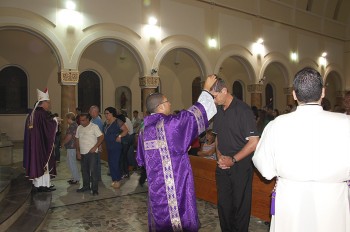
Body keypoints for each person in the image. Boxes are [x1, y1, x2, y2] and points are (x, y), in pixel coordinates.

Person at [253, 67, 350, 232]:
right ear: (323, 92)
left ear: (294, 94)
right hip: (333, 199)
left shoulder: (277, 125)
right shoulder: (346, 123)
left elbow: (265, 168)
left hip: (291, 198)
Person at [136, 75, 217, 231]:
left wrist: (179, 148)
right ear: (160, 106)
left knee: (161, 220)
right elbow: (193, 115)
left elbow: (141, 159)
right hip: (174, 181)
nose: (170, 104)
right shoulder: (168, 124)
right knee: (178, 218)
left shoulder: (143, 130)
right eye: (167, 101)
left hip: (155, 187)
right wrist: (206, 89)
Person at [210, 78, 259, 232]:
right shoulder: (218, 111)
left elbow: (254, 142)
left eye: (215, 96)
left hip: (240, 164)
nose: (213, 99)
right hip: (223, 164)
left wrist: (233, 159)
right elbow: (218, 137)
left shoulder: (243, 110)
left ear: (224, 91)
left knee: (240, 206)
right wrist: (220, 157)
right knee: (224, 206)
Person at [23, 88, 59, 192]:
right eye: (48, 103)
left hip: (36, 143)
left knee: (39, 163)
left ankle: (43, 184)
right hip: (41, 144)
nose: (49, 105)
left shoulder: (33, 113)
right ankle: (42, 185)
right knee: (43, 163)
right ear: (43, 103)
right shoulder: (41, 113)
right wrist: (55, 121)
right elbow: (48, 127)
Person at [75, 113, 104, 196]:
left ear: (88, 119)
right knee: (84, 171)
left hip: (92, 153)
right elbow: (77, 139)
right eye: (80, 120)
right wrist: (77, 151)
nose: (81, 122)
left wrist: (95, 147)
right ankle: (86, 186)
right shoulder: (79, 127)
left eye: (83, 120)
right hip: (82, 153)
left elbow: (101, 137)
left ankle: (94, 189)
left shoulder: (94, 127)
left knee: (93, 171)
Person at [103, 107, 128, 188]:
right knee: (110, 163)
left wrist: (119, 136)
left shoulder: (118, 121)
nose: (106, 115)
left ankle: (118, 180)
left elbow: (126, 130)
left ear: (112, 113)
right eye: (105, 114)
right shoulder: (106, 122)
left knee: (115, 163)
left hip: (116, 145)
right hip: (109, 145)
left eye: (107, 113)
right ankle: (114, 180)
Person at [61, 112, 80, 185]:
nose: (66, 120)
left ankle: (76, 179)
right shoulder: (74, 125)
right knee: (70, 162)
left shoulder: (72, 126)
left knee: (72, 163)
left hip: (72, 147)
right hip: (72, 147)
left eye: (67, 118)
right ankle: (73, 177)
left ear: (69, 118)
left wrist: (63, 143)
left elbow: (69, 137)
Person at [89, 105, 103, 180]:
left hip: (96, 144)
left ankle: (97, 177)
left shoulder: (98, 120)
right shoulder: (92, 119)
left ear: (95, 112)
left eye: (91, 111)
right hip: (93, 143)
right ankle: (95, 176)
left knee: (96, 162)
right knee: (93, 161)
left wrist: (99, 145)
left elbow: (99, 134)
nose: (90, 112)